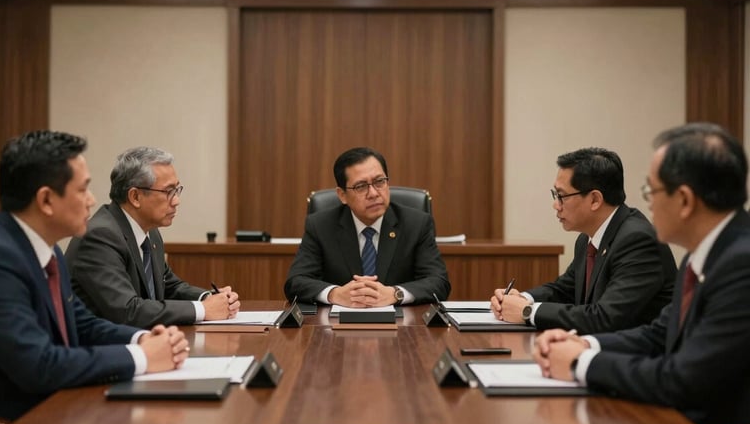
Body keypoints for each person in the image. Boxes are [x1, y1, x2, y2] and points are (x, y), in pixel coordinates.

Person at [533, 123, 750, 424]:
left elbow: (682, 379)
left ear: (685, 200)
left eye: (652, 191)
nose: (646, 203)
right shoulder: (703, 254)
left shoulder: (741, 264)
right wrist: (584, 342)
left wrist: (582, 363)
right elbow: (659, 334)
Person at [0, 131, 189, 421]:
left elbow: (83, 324)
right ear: (46, 200)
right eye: (82, 190)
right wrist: (142, 358)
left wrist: (143, 339)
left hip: (63, 406)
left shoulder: (47, 250)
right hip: (21, 422)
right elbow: (39, 365)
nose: (92, 200)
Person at [491, 147, 676, 333]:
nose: (556, 205)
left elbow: (605, 317)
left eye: (561, 196)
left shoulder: (637, 240)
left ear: (595, 199)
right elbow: (565, 290)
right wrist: (523, 299)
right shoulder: (588, 238)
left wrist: (527, 312)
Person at [66, 146, 240, 328]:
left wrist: (209, 298)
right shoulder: (100, 237)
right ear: (135, 197)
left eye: (177, 190)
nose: (176, 201)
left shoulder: (150, 233)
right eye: (168, 192)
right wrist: (203, 310)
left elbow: (169, 287)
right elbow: (128, 311)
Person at [284, 147, 450, 306]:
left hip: (404, 327)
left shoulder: (417, 224)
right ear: (342, 195)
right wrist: (335, 294)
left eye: (379, 182)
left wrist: (395, 294)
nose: (373, 193)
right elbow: (296, 282)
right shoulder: (320, 226)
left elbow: (439, 282)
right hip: (335, 327)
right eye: (361, 186)